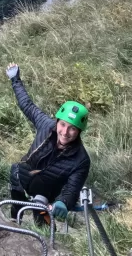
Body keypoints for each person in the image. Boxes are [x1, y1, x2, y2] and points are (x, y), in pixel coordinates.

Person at [6, 63, 90, 223]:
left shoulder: (81, 160)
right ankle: (15, 218)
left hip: (47, 193)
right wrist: (15, 79)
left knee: (42, 217)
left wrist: (63, 202)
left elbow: (72, 188)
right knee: (17, 171)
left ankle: (43, 228)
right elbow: (27, 105)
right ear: (57, 122)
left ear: (79, 131)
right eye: (63, 125)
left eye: (72, 129)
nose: (65, 132)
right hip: (25, 177)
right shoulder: (46, 125)